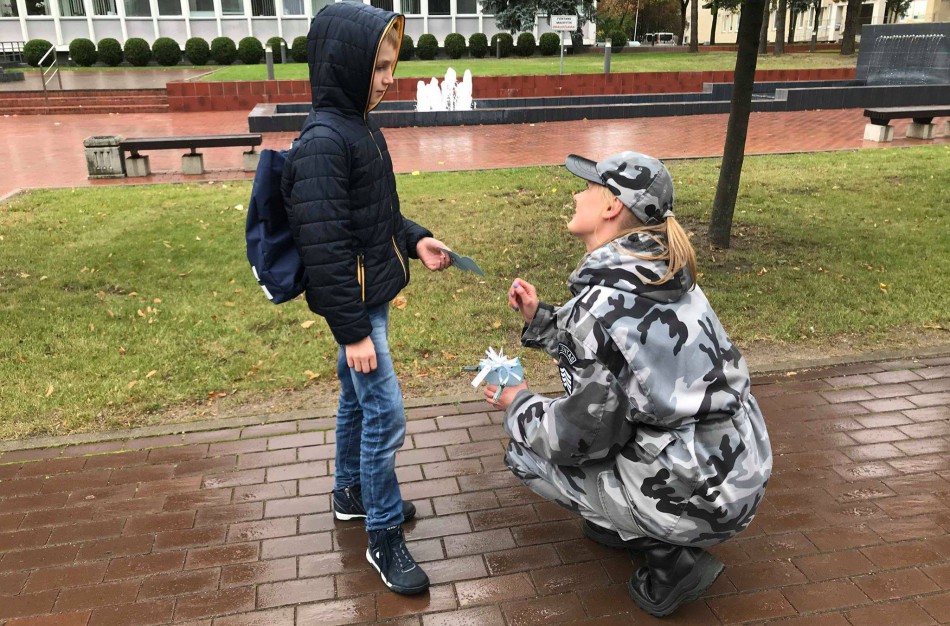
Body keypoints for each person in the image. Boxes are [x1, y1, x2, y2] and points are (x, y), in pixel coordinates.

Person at [484, 151, 772, 617]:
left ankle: (670, 561)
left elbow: (578, 437)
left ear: (612, 206)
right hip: (741, 471)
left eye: (588, 187)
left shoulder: (601, 302)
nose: (577, 194)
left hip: (699, 496)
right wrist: (541, 321)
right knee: (611, 438)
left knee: (525, 451)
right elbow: (623, 355)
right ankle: (625, 520)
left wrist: (517, 403)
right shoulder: (666, 273)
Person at [281, 2, 452, 596]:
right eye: (379, 67)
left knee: (357, 404)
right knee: (387, 414)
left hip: (367, 296)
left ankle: (350, 492)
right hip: (353, 308)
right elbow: (324, 247)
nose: (389, 78)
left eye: (391, 66)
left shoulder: (360, 126)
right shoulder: (325, 142)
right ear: (346, 64)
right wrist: (353, 331)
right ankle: (383, 536)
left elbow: (377, 214)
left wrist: (416, 239)